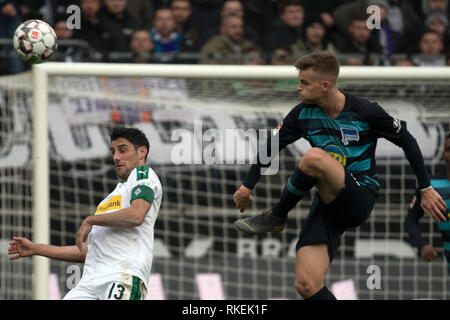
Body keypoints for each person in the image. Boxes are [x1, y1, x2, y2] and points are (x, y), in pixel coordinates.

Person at [232, 51, 447, 300]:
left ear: (325, 85)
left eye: (304, 83)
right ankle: (278, 217)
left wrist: (425, 187)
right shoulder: (301, 114)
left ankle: (278, 215)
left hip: (360, 194)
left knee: (315, 157)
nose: (298, 88)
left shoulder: (366, 111)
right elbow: (270, 147)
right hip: (328, 203)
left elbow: (407, 140)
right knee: (306, 284)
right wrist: (247, 187)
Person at [8, 127, 163, 300]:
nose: (116, 157)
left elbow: (137, 215)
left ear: (142, 152)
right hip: (89, 283)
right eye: (113, 151)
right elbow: (86, 252)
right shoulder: (109, 200)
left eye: (122, 149)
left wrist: (91, 220)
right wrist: (37, 248)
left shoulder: (143, 175)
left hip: (122, 275)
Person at [405, 132, 450, 272]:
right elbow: (410, 220)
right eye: (449, 150)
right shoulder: (431, 186)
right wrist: (422, 245)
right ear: (443, 153)